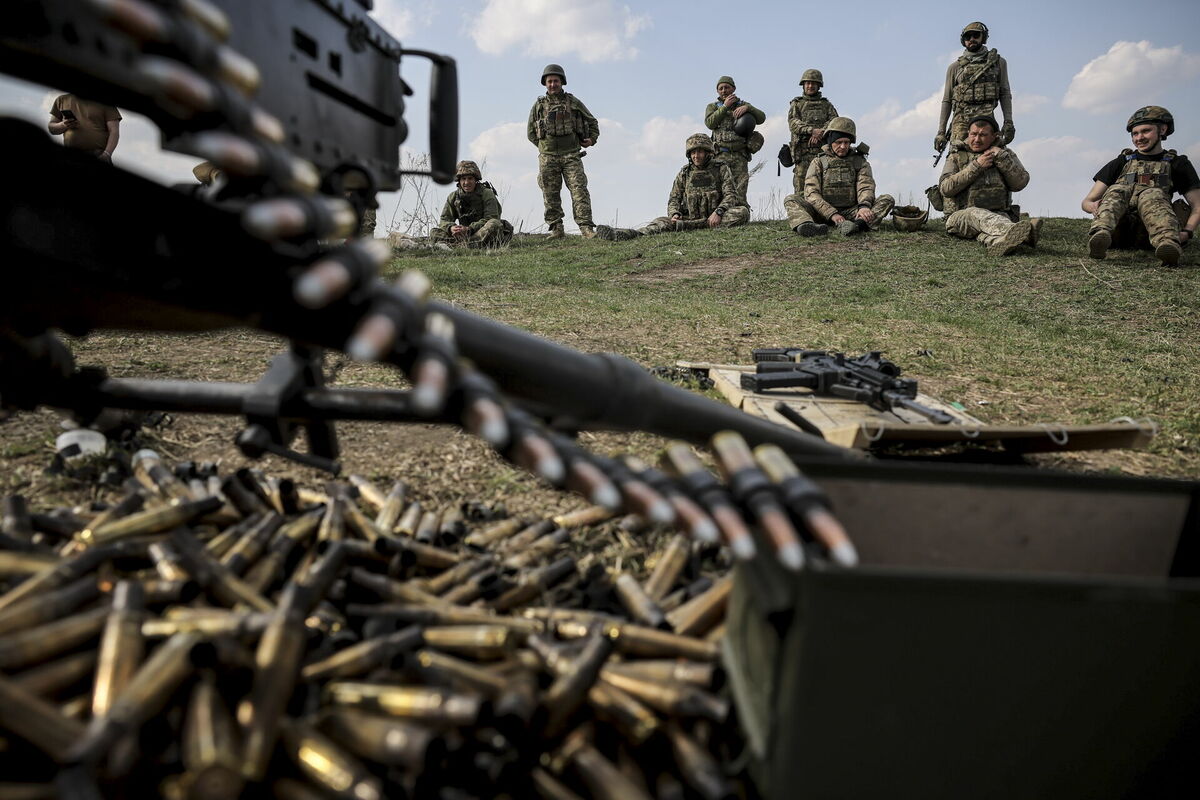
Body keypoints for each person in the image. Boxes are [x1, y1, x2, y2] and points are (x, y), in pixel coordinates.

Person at [1082, 106, 1199, 266]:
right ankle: (1100, 236)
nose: (1139, 138)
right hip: (1118, 230)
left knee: (1151, 193)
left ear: (1162, 130)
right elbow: (1087, 202)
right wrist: (1094, 207)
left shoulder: (1177, 164)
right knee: (1119, 189)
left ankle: (1168, 246)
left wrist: (1186, 232)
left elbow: (1197, 206)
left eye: (1146, 131)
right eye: (1135, 134)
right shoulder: (1122, 161)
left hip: (1151, 232)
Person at [595, 134, 748, 241]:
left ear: (708, 153)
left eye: (700, 151)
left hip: (714, 219)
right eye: (693, 152)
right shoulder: (685, 173)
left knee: (742, 213)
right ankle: (625, 234)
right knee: (659, 222)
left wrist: (719, 212)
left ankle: (697, 226)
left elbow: (730, 195)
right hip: (687, 220)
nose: (696, 156)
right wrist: (675, 214)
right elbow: (674, 198)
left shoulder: (721, 168)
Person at [937, 115, 1037, 257]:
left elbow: (1020, 183)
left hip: (998, 215)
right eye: (973, 134)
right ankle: (1023, 233)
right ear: (968, 133)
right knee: (975, 213)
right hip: (960, 217)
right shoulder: (957, 156)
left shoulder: (1005, 154)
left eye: (983, 135)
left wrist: (1003, 159)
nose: (977, 139)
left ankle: (999, 242)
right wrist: (976, 166)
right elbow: (945, 189)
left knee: (989, 231)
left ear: (994, 136)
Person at [784, 117, 893, 237]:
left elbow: (865, 186)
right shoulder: (819, 161)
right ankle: (806, 225)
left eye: (846, 142)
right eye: (838, 142)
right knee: (791, 199)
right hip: (821, 213)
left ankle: (857, 226)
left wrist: (864, 206)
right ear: (830, 142)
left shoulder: (859, 161)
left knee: (887, 199)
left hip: (852, 212)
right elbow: (811, 193)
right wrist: (832, 214)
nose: (843, 146)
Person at [526, 63, 599, 238]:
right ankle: (557, 228)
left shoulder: (573, 102)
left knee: (579, 190)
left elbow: (592, 122)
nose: (553, 84)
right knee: (550, 194)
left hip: (572, 155)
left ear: (562, 82)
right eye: (549, 81)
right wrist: (544, 147)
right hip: (547, 157)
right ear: (545, 83)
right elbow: (530, 132)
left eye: (556, 81)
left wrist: (591, 140)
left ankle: (586, 228)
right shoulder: (538, 105)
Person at [933, 22, 1014, 156]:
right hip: (961, 122)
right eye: (967, 36)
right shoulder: (955, 68)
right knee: (956, 158)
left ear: (984, 37)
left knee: (995, 157)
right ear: (963, 41)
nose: (971, 39)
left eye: (976, 35)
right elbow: (947, 100)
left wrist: (1008, 121)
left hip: (986, 119)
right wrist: (941, 132)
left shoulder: (998, 62)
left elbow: (1005, 93)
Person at [704, 76, 766, 207]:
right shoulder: (713, 107)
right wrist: (725, 107)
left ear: (733, 89)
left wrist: (748, 108)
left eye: (727, 87)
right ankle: (720, 217)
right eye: (720, 88)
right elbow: (710, 123)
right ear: (717, 91)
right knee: (720, 188)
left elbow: (762, 118)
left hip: (739, 155)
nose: (724, 90)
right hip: (720, 154)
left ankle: (740, 217)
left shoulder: (743, 105)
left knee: (740, 188)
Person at [428, 160, 513, 248]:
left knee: (494, 224)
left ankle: (458, 246)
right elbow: (444, 219)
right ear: (459, 181)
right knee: (434, 232)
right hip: (463, 235)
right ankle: (463, 245)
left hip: (481, 232)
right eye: (463, 179)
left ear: (475, 180)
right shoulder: (453, 196)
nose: (466, 182)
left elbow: (491, 217)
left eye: (470, 178)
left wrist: (469, 229)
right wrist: (451, 228)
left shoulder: (486, 193)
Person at [787, 69, 839, 196]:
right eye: (808, 83)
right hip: (803, 152)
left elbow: (835, 122)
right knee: (801, 184)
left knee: (825, 181)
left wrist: (821, 132)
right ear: (803, 85)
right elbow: (793, 123)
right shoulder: (797, 104)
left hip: (823, 151)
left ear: (819, 85)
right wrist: (812, 131)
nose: (810, 86)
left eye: (813, 83)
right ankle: (801, 214)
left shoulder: (826, 105)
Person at [48, 93, 121, 163]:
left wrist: (107, 154)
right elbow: (51, 128)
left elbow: (114, 131)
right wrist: (63, 125)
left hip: (98, 155)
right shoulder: (62, 99)